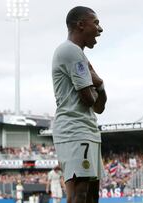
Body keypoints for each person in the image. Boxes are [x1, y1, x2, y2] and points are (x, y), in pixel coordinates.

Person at [51, 6, 107, 203]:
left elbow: (99, 107)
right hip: (74, 129)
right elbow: (89, 99)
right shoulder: (70, 51)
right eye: (96, 23)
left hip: (88, 129)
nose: (100, 30)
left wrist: (99, 83)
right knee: (79, 194)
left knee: (92, 196)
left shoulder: (80, 55)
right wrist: (96, 85)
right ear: (81, 25)